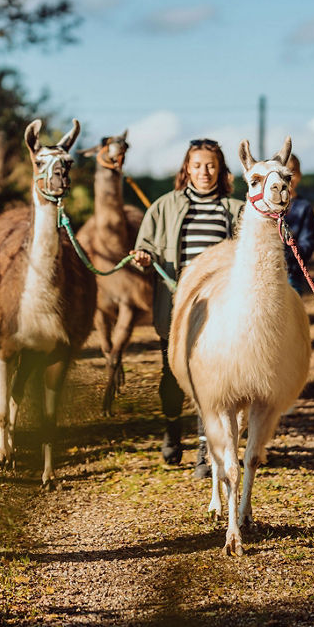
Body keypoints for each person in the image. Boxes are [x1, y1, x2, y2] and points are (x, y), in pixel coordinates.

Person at [131, 138, 243, 478]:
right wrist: (143, 258)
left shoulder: (237, 210)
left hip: (220, 309)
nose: (204, 172)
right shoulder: (164, 207)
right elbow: (143, 248)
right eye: (197, 165)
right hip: (177, 304)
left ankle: (204, 450)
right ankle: (171, 427)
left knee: (211, 379)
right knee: (172, 375)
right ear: (186, 169)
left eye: (210, 166)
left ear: (221, 170)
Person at [282, 154, 314, 295]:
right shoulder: (267, 209)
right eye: (283, 173)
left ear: (300, 175)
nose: (288, 179)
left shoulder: (304, 208)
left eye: (293, 173)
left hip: (291, 274)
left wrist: (286, 254)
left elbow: (307, 246)